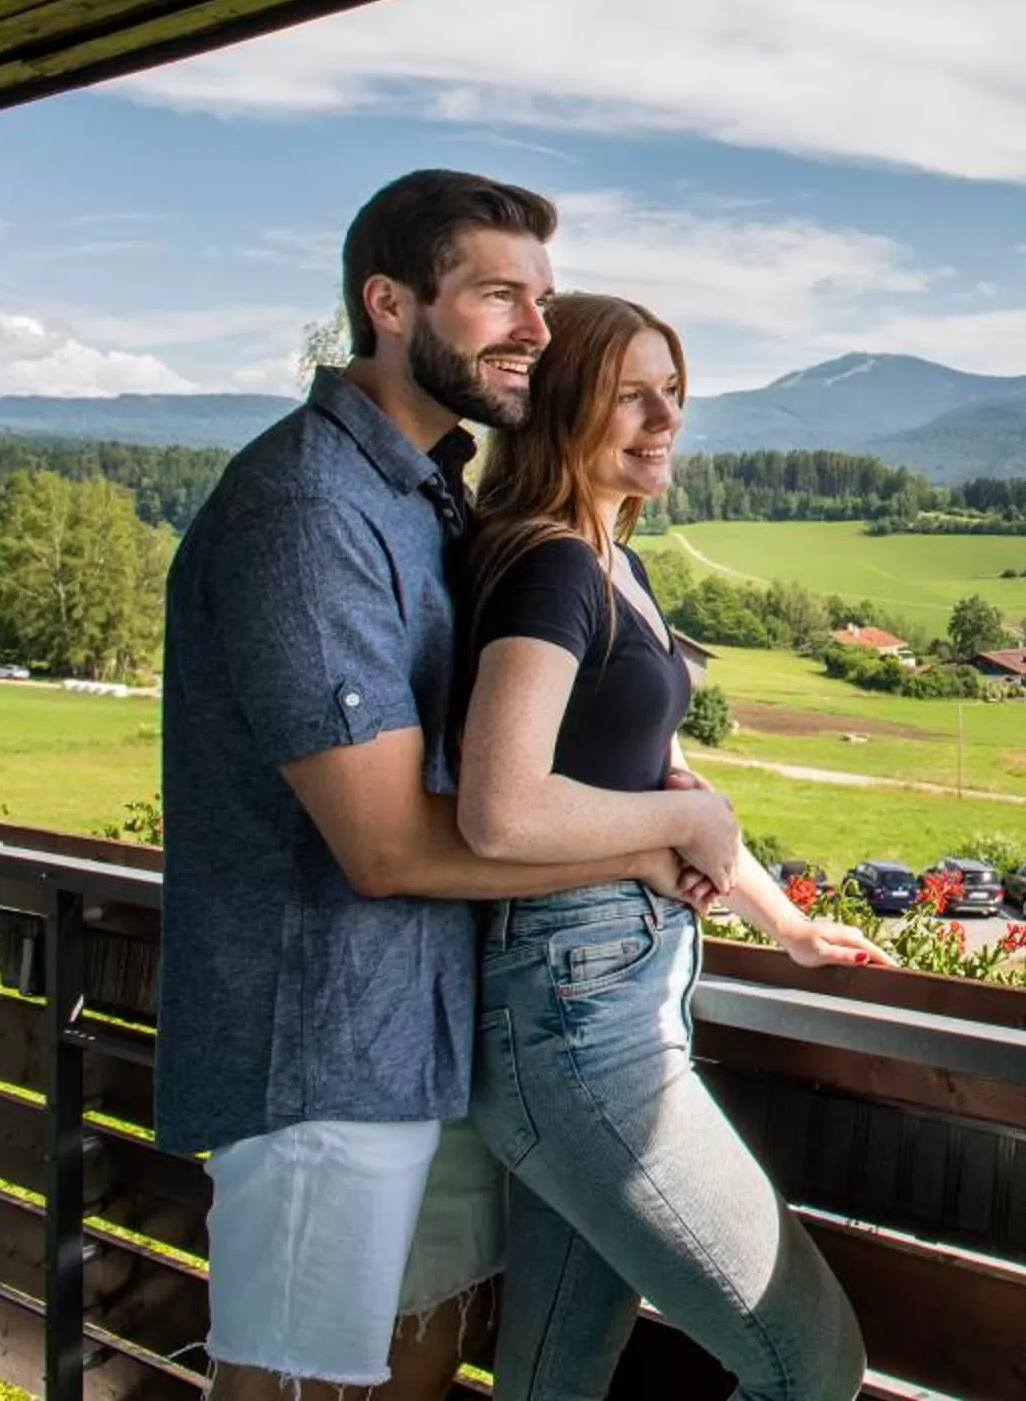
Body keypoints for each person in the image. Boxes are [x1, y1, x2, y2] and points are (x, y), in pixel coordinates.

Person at [156, 173, 745, 1401]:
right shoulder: (308, 508)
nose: (536, 326)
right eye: (497, 294)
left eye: (540, 297)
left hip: (419, 1030)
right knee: (289, 1389)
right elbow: (380, 843)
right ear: (387, 303)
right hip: (317, 1044)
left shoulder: (426, 493)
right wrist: (650, 845)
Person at [457, 292, 887, 1401]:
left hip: (597, 1000)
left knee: (554, 1381)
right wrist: (676, 827)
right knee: (812, 1359)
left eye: (673, 391)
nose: (665, 418)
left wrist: (782, 919)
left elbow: (663, 786)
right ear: (558, 408)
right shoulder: (550, 567)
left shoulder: (615, 565)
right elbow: (500, 809)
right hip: (577, 1020)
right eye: (629, 394)